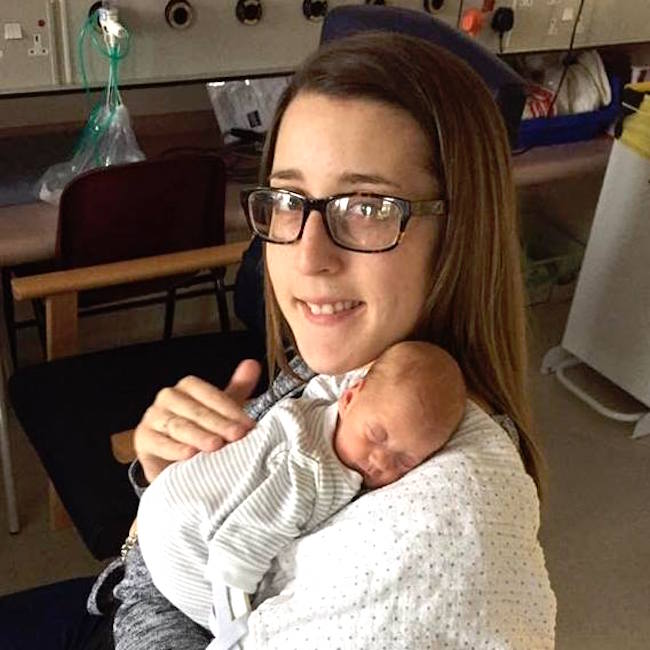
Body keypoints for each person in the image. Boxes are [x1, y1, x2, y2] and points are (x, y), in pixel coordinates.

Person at [0, 31, 556, 650]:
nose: (307, 257)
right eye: (289, 200)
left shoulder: (438, 534)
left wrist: (142, 541)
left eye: (368, 207)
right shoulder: (344, 370)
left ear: (462, 234)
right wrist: (176, 475)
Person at [137, 341, 465, 643]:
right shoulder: (314, 472)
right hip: (180, 545)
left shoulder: (318, 403)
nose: (379, 461)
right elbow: (235, 552)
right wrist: (233, 633)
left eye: (404, 462)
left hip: (164, 511)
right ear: (349, 397)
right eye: (376, 436)